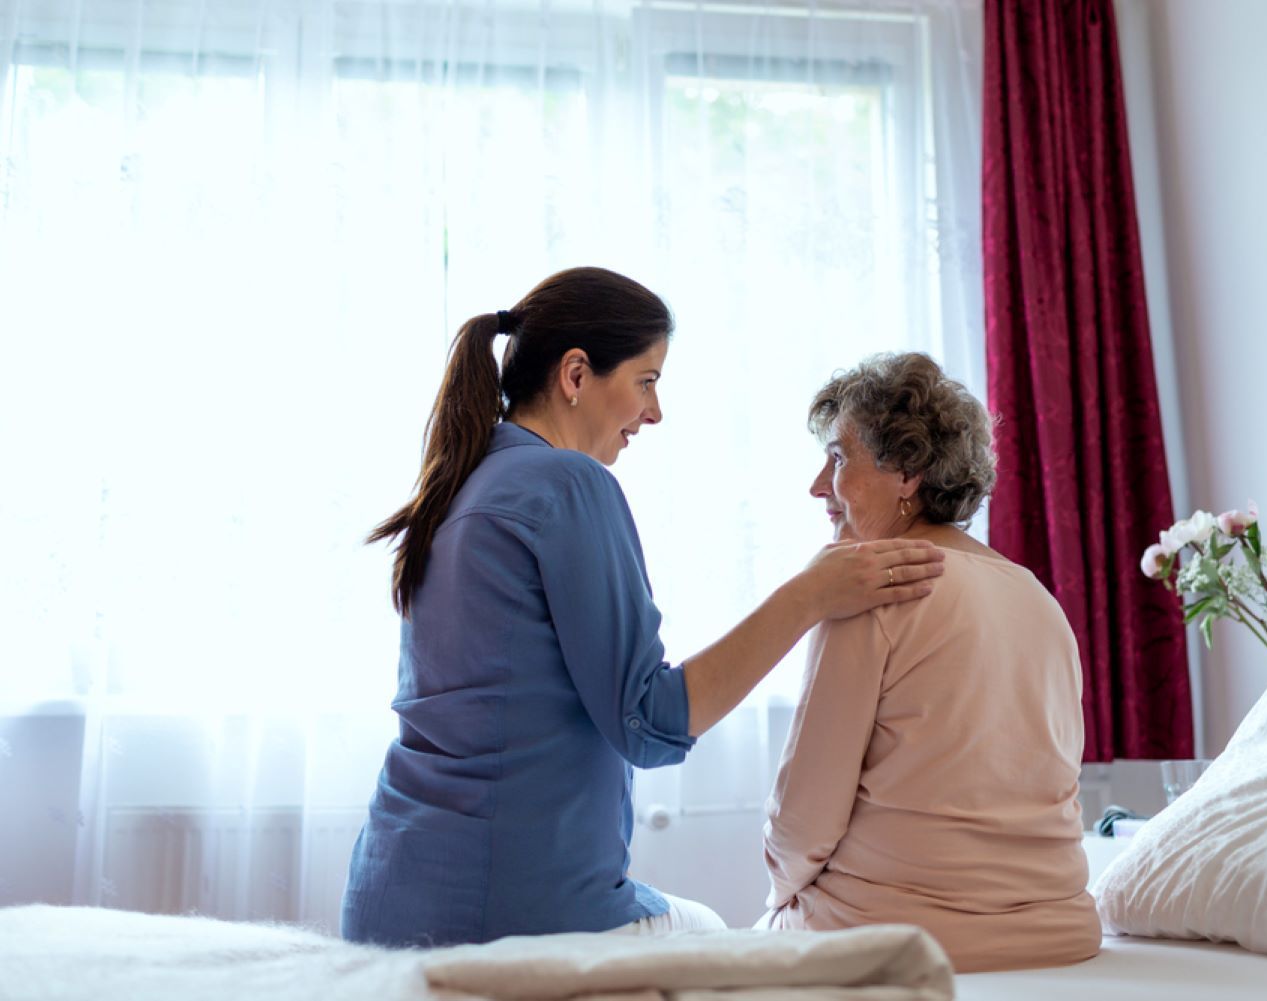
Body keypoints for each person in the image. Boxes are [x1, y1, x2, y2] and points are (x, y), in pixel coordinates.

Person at [340, 267, 945, 947]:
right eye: (647, 380)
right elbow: (649, 721)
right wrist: (811, 593)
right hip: (507, 912)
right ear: (576, 375)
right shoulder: (566, 483)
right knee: (721, 934)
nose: (654, 412)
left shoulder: (464, 481)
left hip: (386, 895)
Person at [761, 352, 1101, 972]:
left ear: (909, 474)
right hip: (1058, 931)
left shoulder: (870, 587)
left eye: (838, 459)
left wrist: (778, 898)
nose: (818, 486)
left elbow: (803, 825)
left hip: (899, 934)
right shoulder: (1038, 597)